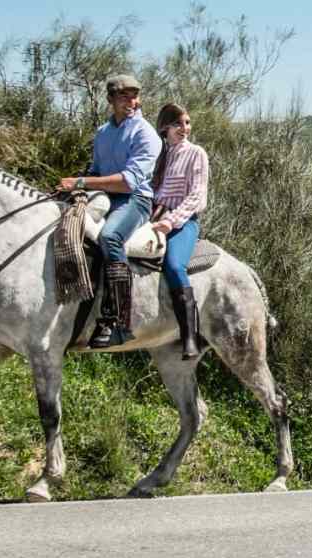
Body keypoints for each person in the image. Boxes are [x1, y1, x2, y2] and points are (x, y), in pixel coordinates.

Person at [58, 74, 162, 348]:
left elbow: (129, 182)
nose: (133, 101)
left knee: (110, 237)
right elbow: (96, 171)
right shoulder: (103, 133)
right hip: (103, 197)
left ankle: (117, 320)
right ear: (111, 99)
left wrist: (81, 182)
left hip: (134, 201)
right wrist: (74, 186)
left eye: (135, 95)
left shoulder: (145, 133)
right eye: (125, 96)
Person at [150, 103, 210, 360]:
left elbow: (197, 195)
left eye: (187, 123)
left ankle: (190, 336)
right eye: (178, 124)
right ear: (165, 128)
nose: (184, 129)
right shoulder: (160, 156)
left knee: (174, 266)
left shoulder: (196, 153)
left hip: (183, 222)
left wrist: (170, 221)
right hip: (154, 218)